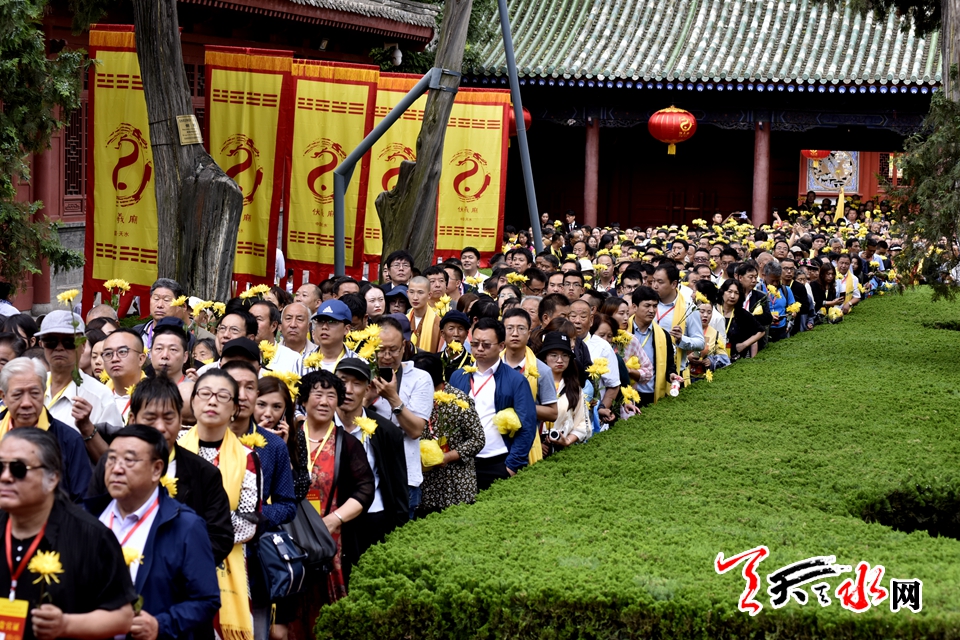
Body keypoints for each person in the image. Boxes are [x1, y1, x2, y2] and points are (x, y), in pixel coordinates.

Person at [0, 426, 136, 639]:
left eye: (19, 469)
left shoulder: (91, 537)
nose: (6, 477)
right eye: (0, 467)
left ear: (52, 478)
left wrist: (66, 625)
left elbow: (123, 617)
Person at [86, 375, 235, 565]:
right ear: (132, 420)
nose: (160, 428)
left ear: (180, 420)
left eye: (168, 418)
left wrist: (174, 565)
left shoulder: (204, 474)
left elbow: (220, 537)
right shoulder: (110, 464)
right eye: (150, 418)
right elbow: (91, 520)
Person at [94, 424, 220, 640]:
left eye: (129, 460)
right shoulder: (89, 516)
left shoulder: (185, 526)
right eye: (111, 459)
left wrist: (160, 625)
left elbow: (206, 600)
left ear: (156, 469)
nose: (116, 469)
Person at [179, 370, 260, 640]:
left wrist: (199, 537)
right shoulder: (172, 448)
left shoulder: (247, 458)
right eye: (205, 393)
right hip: (174, 561)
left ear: (235, 408)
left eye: (223, 396)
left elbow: (247, 523)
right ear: (193, 400)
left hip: (226, 559)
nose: (212, 401)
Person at [294, 370, 372, 629]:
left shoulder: (347, 444)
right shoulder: (288, 439)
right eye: (318, 394)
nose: (324, 402)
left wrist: (333, 519)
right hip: (290, 536)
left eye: (331, 396)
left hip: (331, 539)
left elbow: (365, 489)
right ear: (304, 400)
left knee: (328, 616)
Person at [448, 318, 537, 490]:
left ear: (501, 346)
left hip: (498, 461)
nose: (480, 349)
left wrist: (511, 466)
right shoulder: (458, 376)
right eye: (475, 344)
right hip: (462, 461)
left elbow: (527, 425)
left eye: (486, 345)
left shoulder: (516, 380)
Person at [333, 358, 408, 551]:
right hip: (328, 517)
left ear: (367, 389)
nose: (348, 390)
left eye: (357, 384)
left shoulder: (386, 431)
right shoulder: (317, 427)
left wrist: (400, 530)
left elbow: (398, 484)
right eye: (342, 381)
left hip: (373, 518)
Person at [0, 358, 92, 502]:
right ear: (3, 397)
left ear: (44, 392)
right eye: (17, 395)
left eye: (34, 393)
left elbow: (83, 502)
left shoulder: (69, 440)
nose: (26, 403)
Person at [36, 311, 122, 458]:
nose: (59, 348)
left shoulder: (101, 396)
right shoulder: (33, 386)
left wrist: (87, 429)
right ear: (41, 344)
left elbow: (114, 460)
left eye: (69, 342)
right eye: (51, 341)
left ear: (83, 345)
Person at [369, 317, 431, 517]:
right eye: (381, 350)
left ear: (404, 347)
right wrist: (366, 399)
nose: (387, 356)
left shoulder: (420, 378)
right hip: (367, 476)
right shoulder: (362, 376)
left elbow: (416, 430)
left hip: (404, 478)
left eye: (393, 350)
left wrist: (392, 398)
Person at [410, 353, 485, 515]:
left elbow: (477, 439)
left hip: (455, 485)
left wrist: (448, 457)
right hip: (425, 485)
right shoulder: (411, 400)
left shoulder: (459, 401)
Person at [500, 308, 557, 463]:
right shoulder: (491, 367)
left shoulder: (541, 370)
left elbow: (552, 413)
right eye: (509, 328)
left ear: (529, 333)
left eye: (521, 328)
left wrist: (520, 406)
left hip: (526, 444)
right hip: (495, 442)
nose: (515, 333)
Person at [536, 332, 590, 456]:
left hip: (562, 453)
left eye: (565, 355)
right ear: (544, 357)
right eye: (554, 355)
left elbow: (582, 424)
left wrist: (566, 441)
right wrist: (536, 443)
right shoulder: (533, 383)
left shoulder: (574, 388)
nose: (560, 360)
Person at [629, 288, 680, 406]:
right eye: (647, 306)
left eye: (655, 306)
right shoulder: (623, 331)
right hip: (628, 393)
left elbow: (669, 365)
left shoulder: (663, 335)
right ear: (635, 307)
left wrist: (671, 375)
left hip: (651, 394)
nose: (652, 310)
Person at [101, 329, 148, 424]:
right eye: (108, 353)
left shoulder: (157, 395)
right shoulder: (96, 396)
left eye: (122, 352)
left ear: (141, 359)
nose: (114, 359)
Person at [716, 280, 765, 360]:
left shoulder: (742, 314)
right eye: (729, 291)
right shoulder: (712, 310)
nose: (732, 296)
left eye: (736, 293)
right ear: (722, 292)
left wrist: (743, 345)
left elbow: (761, 331)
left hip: (734, 358)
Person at [305, 300, 358, 372]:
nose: (324, 327)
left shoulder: (359, 364)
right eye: (321, 321)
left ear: (346, 329)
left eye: (332, 321)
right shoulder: (301, 363)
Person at [249, 300, 300, 373]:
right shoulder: (239, 355)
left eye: (258, 319)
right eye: (250, 318)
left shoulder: (293, 359)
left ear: (273, 326)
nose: (252, 323)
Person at [137, 278, 185, 350]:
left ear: (178, 305)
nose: (160, 305)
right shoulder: (136, 332)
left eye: (166, 300)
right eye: (156, 299)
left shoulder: (186, 337)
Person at [405, 277, 440, 353]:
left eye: (420, 293)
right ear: (407, 293)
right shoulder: (404, 321)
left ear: (429, 295)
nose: (415, 297)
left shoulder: (438, 323)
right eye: (411, 292)